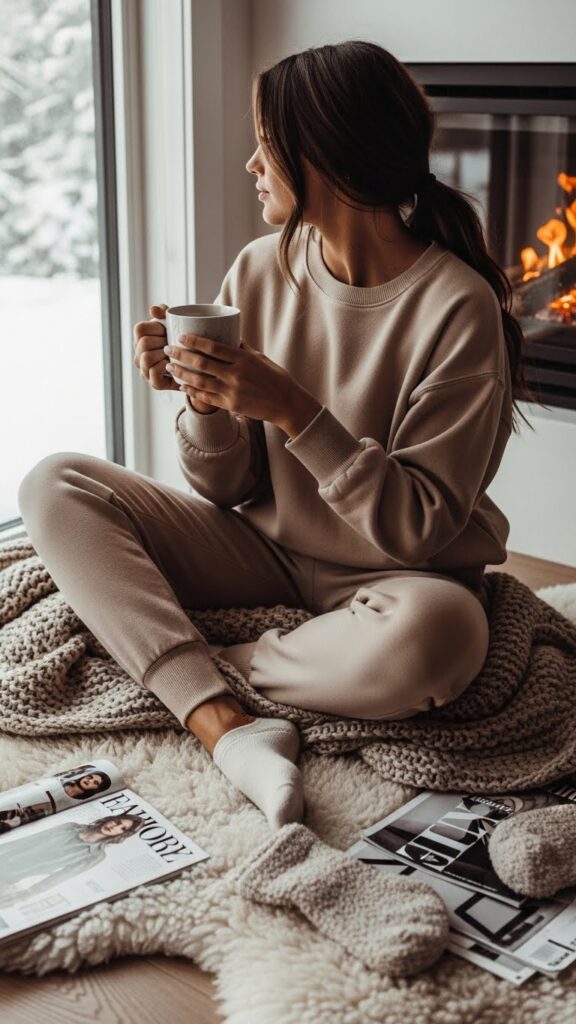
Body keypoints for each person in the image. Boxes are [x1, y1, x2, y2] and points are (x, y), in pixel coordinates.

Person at [17, 41, 532, 833]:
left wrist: (296, 409)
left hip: (400, 579)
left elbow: (420, 528)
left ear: (322, 152)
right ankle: (222, 721)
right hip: (259, 552)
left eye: (266, 141)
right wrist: (208, 404)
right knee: (54, 484)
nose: (251, 162)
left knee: (444, 639)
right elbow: (225, 491)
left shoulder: (457, 308)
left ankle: (178, 662)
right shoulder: (261, 269)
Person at [0, 813, 142, 906]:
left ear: (122, 835)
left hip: (10, 878)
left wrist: (27, 894)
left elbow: (61, 876)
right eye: (117, 821)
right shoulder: (70, 827)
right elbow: (29, 840)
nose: (115, 826)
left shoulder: (96, 855)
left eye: (122, 828)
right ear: (111, 818)